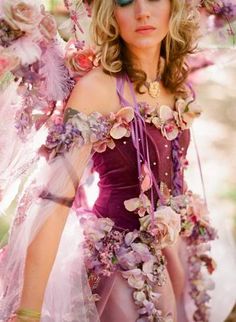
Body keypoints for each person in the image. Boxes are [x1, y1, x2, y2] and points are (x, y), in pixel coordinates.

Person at [0, 0, 219, 321]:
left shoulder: (176, 81)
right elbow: (54, 202)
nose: (142, 11)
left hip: (175, 257)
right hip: (119, 270)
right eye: (125, 1)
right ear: (109, 13)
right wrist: (29, 311)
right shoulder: (95, 90)